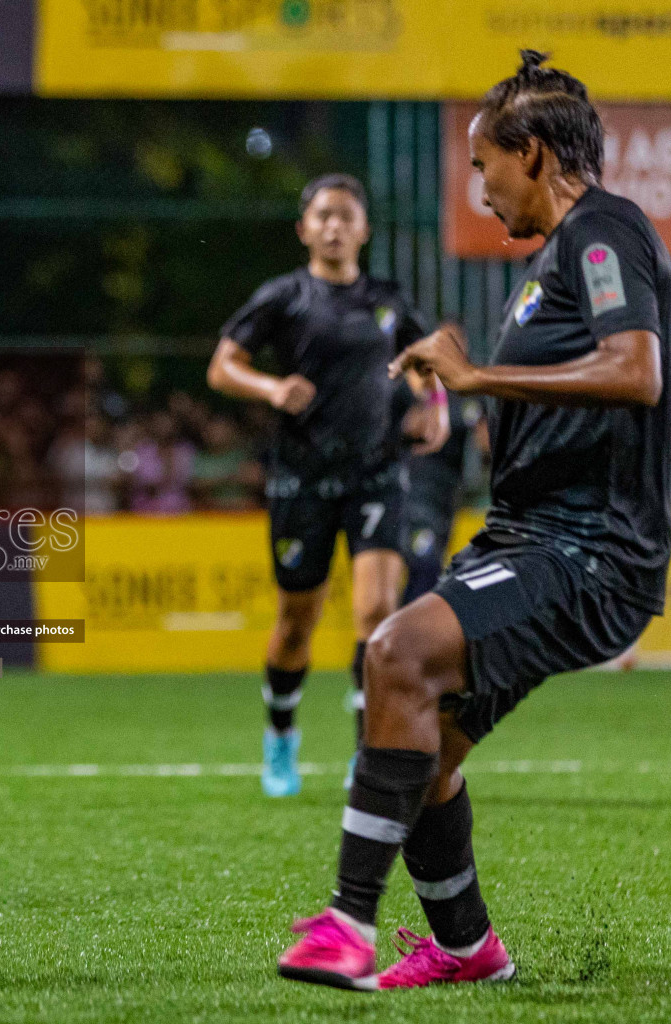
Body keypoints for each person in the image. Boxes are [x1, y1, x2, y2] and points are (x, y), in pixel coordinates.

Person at [277, 51, 671, 990]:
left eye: (484, 163)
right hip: (533, 538)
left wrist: (479, 377)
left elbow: (637, 371)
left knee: (392, 653)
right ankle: (466, 948)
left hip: (587, 550)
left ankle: (346, 925)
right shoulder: (556, 258)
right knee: (415, 735)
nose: (479, 185)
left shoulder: (603, 229)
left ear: (533, 154)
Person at [207, 173, 447, 798]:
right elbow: (222, 365)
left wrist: (436, 406)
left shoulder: (389, 300)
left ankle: (367, 750)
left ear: (364, 229)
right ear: (304, 229)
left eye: (346, 216)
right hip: (302, 476)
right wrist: (269, 387)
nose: (335, 226)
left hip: (375, 472)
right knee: (296, 622)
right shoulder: (284, 297)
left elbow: (427, 361)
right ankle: (280, 735)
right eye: (323, 216)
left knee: (375, 612)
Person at [401, 396, 484, 603]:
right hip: (412, 495)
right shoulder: (414, 383)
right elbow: (410, 423)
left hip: (446, 501)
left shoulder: (473, 389)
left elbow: (487, 440)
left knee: (433, 570)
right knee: (423, 569)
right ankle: (404, 633)